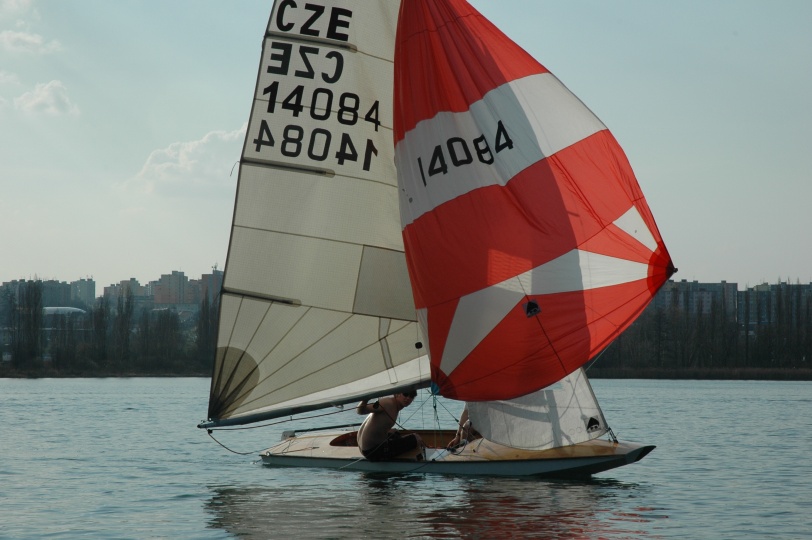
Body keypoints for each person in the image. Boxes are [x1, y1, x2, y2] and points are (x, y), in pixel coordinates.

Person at [356, 391, 424, 461]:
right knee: (416, 438)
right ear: (397, 394)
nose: (408, 398)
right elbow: (360, 411)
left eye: (411, 396)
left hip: (367, 448)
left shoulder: (393, 405)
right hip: (373, 451)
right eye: (405, 394)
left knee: (395, 432)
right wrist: (366, 399)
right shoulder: (387, 403)